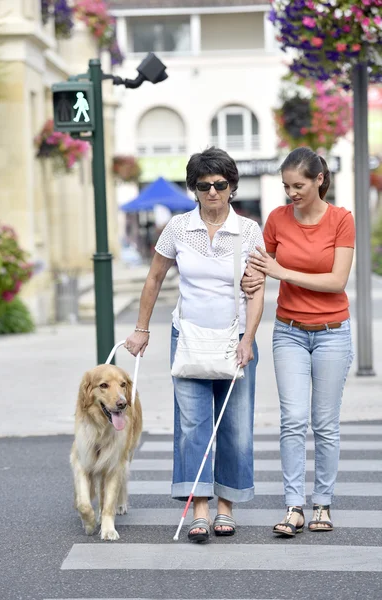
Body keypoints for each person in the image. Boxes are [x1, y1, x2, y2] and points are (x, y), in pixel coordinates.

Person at [124, 147, 265, 543]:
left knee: (235, 427)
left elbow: (257, 291)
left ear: (232, 186)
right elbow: (153, 279)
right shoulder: (177, 228)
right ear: (194, 188)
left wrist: (250, 339)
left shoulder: (249, 231)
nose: (213, 192)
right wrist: (141, 329)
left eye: (220, 185)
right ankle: (199, 508)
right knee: (192, 425)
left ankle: (226, 507)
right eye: (204, 186)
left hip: (235, 339)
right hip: (187, 336)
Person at [242, 147, 355, 536]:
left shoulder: (341, 220)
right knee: (292, 421)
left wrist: (280, 271)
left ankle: (322, 504)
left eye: (299, 185)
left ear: (319, 180)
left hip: (332, 334)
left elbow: (336, 282)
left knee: (324, 424)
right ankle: (294, 506)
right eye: (287, 186)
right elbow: (261, 269)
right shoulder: (276, 219)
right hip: (288, 331)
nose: (291, 193)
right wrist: (251, 278)